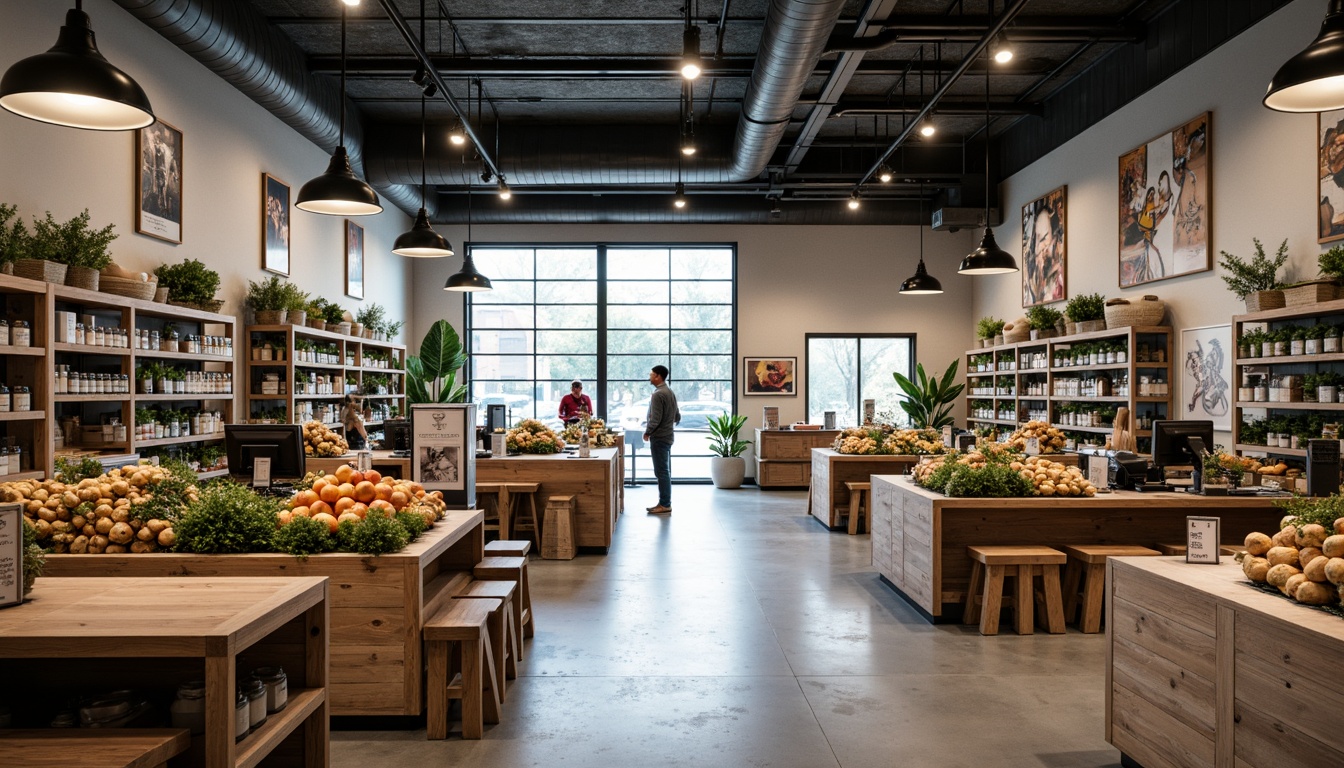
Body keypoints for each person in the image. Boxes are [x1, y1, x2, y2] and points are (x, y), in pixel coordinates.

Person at [643, 365, 680, 515]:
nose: (649, 376)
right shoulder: (669, 392)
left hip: (659, 438)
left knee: (662, 472)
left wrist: (648, 432)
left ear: (658, 376)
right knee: (664, 471)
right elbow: (677, 416)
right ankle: (664, 503)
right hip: (668, 436)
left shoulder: (658, 394)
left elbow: (655, 418)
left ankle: (665, 504)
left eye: (651, 374)